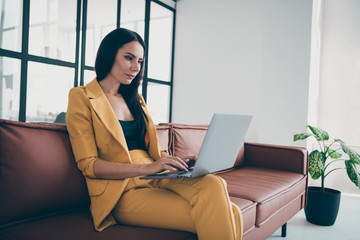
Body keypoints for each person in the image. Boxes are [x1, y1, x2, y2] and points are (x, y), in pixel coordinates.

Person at [66, 28, 243, 240]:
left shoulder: (136, 100)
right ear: (109, 54)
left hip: (156, 175)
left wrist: (175, 162)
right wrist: (148, 167)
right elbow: (89, 164)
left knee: (214, 183)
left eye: (140, 61)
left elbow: (151, 150)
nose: (135, 67)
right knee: (231, 213)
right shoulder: (82, 97)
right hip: (120, 191)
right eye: (129, 58)